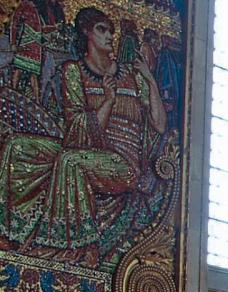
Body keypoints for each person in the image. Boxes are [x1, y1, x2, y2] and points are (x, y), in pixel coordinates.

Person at [0, 7, 168, 257]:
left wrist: (150, 81)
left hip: (123, 161)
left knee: (71, 161)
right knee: (17, 145)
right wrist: (107, 103)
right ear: (86, 32)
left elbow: (160, 125)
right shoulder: (73, 71)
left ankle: (69, 246)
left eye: (111, 31)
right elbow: (77, 126)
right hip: (83, 146)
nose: (110, 36)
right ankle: (10, 232)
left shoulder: (133, 76)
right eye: (102, 30)